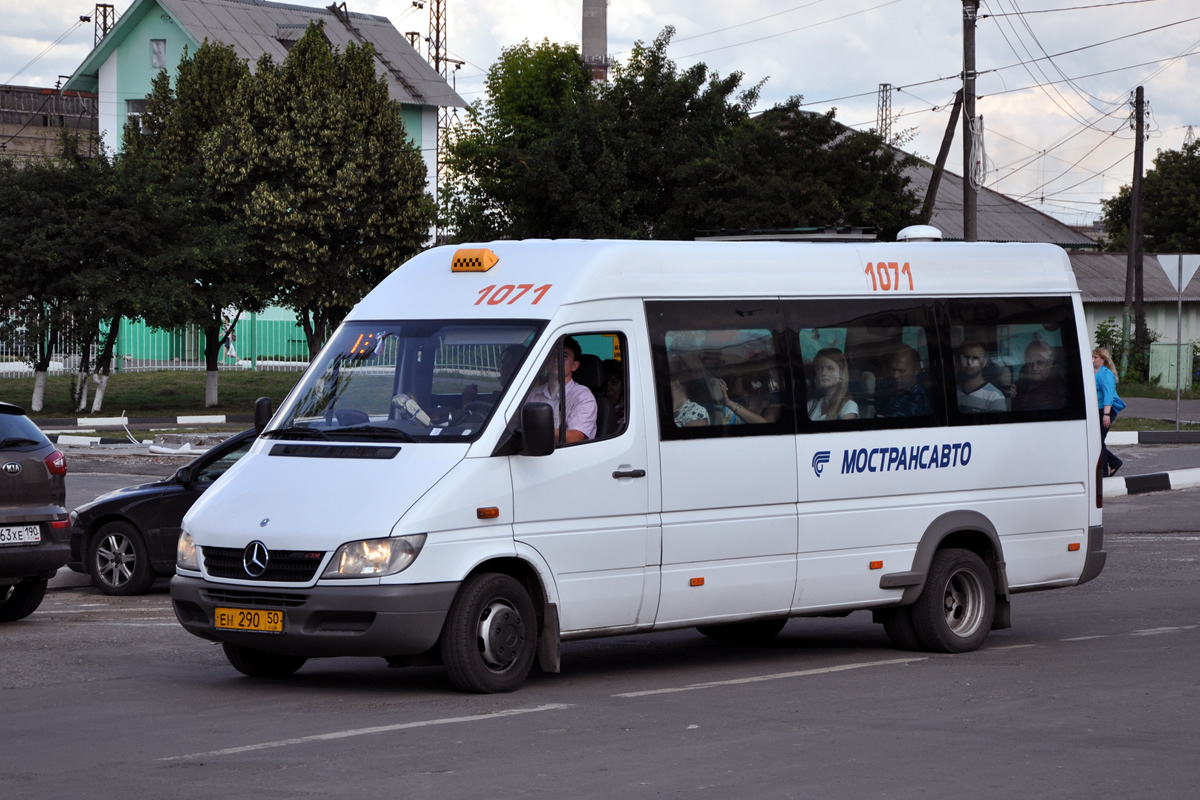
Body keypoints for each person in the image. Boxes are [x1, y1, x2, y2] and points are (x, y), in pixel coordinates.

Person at [525, 337, 597, 443]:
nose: (556, 359)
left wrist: (537, 428)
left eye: (563, 356)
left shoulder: (583, 397)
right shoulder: (533, 393)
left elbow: (575, 437)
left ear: (574, 366)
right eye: (552, 354)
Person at [1093, 346, 1125, 477]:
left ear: (1103, 360)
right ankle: (1114, 462)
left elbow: (1108, 395)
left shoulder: (1106, 374)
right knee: (1097, 441)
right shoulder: (1093, 372)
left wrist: (1106, 415)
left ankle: (1104, 473)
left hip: (1107, 410)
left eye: (1095, 357)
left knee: (1098, 442)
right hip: (1096, 409)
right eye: (1092, 357)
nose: (1093, 360)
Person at [875, 344, 929, 417]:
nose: (895, 376)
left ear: (916, 370)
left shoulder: (920, 399)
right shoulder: (890, 389)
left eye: (901, 371)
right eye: (893, 370)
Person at [1010, 340, 1066, 411]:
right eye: (1030, 363)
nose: (1034, 368)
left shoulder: (1058, 389)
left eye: (1040, 363)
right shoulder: (1019, 385)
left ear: (1050, 363)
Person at [807, 348, 859, 420]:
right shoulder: (811, 405)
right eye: (819, 368)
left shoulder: (848, 406)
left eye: (830, 368)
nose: (823, 373)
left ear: (841, 372)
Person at [955, 341, 1006, 413]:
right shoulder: (955, 391)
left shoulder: (994, 397)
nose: (969, 362)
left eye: (975, 358)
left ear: (984, 362)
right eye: (966, 357)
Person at [716, 369, 782, 425]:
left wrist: (731, 404)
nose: (733, 380)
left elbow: (768, 425)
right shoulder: (735, 403)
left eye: (738, 376)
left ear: (749, 381)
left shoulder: (772, 405)